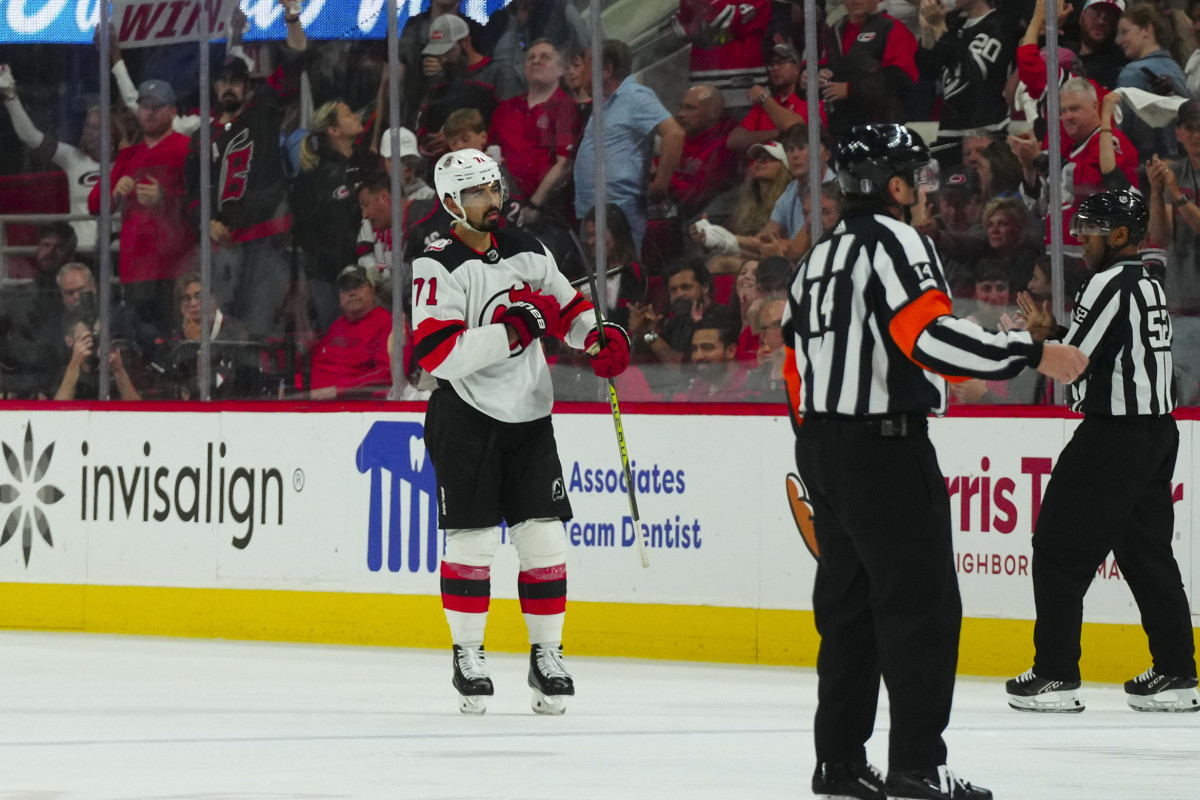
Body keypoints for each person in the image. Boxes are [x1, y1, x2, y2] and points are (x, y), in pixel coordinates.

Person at [785, 124, 1088, 800]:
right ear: (892, 186)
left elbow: (793, 364)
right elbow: (925, 335)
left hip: (824, 445)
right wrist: (1029, 353)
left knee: (850, 607)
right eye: (916, 178)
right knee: (921, 607)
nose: (924, 191)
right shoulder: (898, 242)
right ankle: (918, 765)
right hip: (885, 445)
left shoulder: (818, 257)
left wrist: (817, 446)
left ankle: (838, 761)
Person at [410, 148, 630, 716]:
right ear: (451, 202)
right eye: (478, 192)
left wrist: (596, 337)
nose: (493, 199)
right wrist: (512, 332)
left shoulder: (528, 249)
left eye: (495, 187)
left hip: (530, 415)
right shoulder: (436, 261)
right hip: (465, 414)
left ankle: (547, 655)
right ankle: (468, 654)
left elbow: (567, 308)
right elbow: (439, 354)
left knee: (545, 540)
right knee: (475, 540)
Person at [1005, 190, 1199, 714]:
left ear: (1117, 237)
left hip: (1112, 437)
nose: (1081, 239)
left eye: (1090, 229)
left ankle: (1055, 675)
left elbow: (1074, 365)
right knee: (1147, 555)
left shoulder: (1107, 282)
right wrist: (1056, 335)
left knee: (1056, 550)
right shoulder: (1147, 280)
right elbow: (1102, 350)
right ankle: (1178, 673)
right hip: (1157, 433)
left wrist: (1026, 347)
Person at [186, 1, 307, 339]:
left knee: (259, 330)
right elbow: (192, 196)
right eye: (223, 80)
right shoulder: (201, 136)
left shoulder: (262, 112)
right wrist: (204, 221)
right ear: (214, 86)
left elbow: (296, 59)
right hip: (222, 249)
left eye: (236, 81)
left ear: (247, 87)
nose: (229, 86)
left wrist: (292, 16)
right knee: (219, 330)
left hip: (266, 241)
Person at [89, 79, 195, 329]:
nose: (149, 112)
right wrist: (115, 192)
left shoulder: (187, 149)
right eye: (144, 106)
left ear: (172, 111)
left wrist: (165, 197)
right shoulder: (129, 156)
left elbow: (200, 202)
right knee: (140, 340)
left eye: (157, 106)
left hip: (176, 266)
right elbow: (95, 205)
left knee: (177, 334)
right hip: (135, 267)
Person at [573, 39, 685, 254]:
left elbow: (674, 133)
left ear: (606, 70)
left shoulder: (635, 96)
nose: (580, 73)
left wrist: (660, 184)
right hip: (596, 212)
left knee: (621, 274)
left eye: (585, 66)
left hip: (620, 212)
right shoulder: (605, 102)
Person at [916, 0, 1016, 166]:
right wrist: (928, 30)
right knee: (945, 191)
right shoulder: (955, 25)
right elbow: (927, 71)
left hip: (987, 133)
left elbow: (971, 72)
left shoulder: (999, 25)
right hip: (949, 132)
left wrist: (940, 28)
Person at [487, 39, 580, 217]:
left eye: (545, 57)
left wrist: (534, 205)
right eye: (531, 58)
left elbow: (564, 164)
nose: (536, 61)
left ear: (561, 70)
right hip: (503, 208)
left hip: (546, 212)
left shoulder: (565, 108)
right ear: (524, 68)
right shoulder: (505, 109)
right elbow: (490, 151)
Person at [1148, 100, 1200, 404]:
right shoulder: (1173, 172)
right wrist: (1157, 192)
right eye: (1190, 128)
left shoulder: (1177, 182)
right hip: (1179, 310)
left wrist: (1177, 196)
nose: (1196, 135)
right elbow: (1161, 236)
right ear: (1179, 133)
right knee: (1180, 404)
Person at [816, 0, 919, 135]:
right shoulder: (833, 31)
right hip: (840, 128)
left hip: (882, 128)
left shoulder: (891, 27)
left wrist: (850, 90)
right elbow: (820, 67)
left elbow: (900, 79)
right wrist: (815, 77)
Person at [1114, 3, 1189, 159]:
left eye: (1125, 32)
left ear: (1147, 29)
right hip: (1179, 167)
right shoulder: (1177, 69)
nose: (1120, 41)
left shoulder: (1133, 73)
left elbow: (1121, 134)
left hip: (1145, 167)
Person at [671, 0, 770, 114]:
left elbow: (732, 18)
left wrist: (702, 8)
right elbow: (682, 28)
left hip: (745, 90)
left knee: (745, 130)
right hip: (701, 89)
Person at [309, 266, 392, 398]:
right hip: (311, 406)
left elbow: (388, 374)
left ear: (372, 289)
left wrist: (340, 391)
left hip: (357, 408)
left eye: (358, 286)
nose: (351, 292)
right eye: (346, 289)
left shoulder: (388, 323)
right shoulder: (336, 326)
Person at [727, 42, 817, 155]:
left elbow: (796, 128)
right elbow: (733, 140)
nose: (774, 68)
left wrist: (764, 98)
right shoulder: (762, 107)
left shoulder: (810, 104)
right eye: (772, 63)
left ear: (796, 69)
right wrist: (776, 133)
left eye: (781, 62)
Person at [670, 84, 740, 220]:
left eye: (690, 108)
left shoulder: (725, 146)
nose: (680, 114)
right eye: (681, 107)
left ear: (715, 112)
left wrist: (662, 173)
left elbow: (695, 196)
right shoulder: (683, 137)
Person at [1072, 0, 1129, 90]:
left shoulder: (1121, 63)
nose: (1101, 22)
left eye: (1109, 18)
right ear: (1081, 16)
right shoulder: (1063, 51)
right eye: (1095, 14)